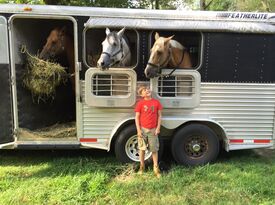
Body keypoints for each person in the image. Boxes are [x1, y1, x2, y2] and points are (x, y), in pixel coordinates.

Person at [135, 85, 163, 178]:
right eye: (144, 90)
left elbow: (159, 116)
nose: (147, 90)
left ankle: (156, 168)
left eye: (147, 89)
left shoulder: (156, 103)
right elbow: (137, 117)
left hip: (153, 130)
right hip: (143, 130)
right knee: (142, 149)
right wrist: (138, 130)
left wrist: (158, 127)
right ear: (141, 95)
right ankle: (141, 167)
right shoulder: (140, 103)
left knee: (154, 150)